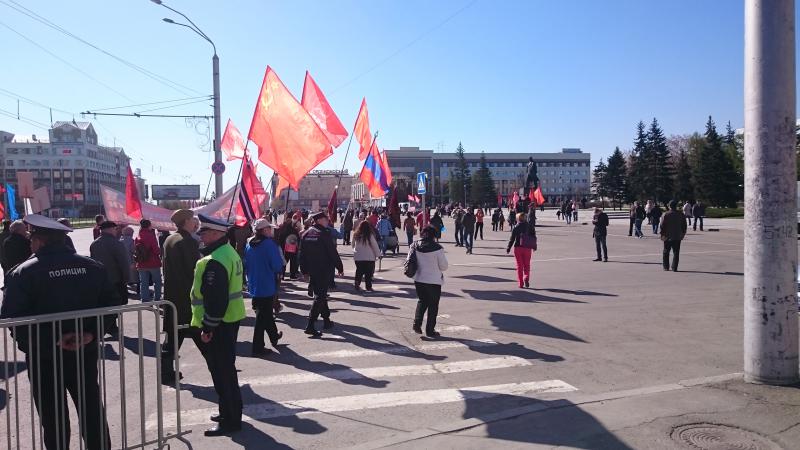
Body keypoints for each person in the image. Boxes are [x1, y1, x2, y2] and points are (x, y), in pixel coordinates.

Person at [0, 215, 120, 450]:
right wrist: (91, 335)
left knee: (53, 418)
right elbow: (111, 304)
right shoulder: (92, 267)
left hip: (44, 358)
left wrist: (50, 341)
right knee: (92, 410)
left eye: (31, 239)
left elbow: (12, 319)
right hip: (84, 353)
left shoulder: (22, 273)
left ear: (39, 241)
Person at [190, 214, 246, 437]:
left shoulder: (214, 260)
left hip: (220, 323)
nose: (201, 236)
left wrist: (208, 327)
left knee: (223, 373)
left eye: (204, 232)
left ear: (216, 234)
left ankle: (230, 420)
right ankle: (229, 412)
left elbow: (215, 298)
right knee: (226, 371)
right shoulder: (228, 252)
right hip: (230, 319)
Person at [161, 209, 200, 384]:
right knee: (200, 336)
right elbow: (194, 271)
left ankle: (166, 372)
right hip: (186, 296)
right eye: (193, 220)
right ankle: (220, 370)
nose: (195, 223)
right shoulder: (187, 242)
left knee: (173, 336)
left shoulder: (170, 239)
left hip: (172, 295)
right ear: (186, 221)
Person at [299, 212, 344, 337]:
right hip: (324, 269)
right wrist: (339, 267)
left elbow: (302, 255)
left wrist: (304, 271)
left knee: (321, 294)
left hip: (312, 270)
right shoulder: (324, 233)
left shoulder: (306, 233)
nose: (327, 221)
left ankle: (326, 320)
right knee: (320, 296)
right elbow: (332, 252)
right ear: (319, 220)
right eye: (325, 219)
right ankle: (310, 325)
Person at [245, 219, 284, 356]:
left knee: (265, 313)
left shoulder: (249, 244)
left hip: (254, 283)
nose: (271, 230)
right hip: (267, 284)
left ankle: (274, 336)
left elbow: (247, 264)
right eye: (269, 228)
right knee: (262, 317)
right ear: (264, 230)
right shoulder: (268, 244)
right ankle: (257, 347)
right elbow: (277, 265)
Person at [409, 225, 449, 338]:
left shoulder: (414, 245)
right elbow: (444, 266)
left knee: (422, 301)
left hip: (419, 279)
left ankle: (417, 323)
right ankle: (430, 330)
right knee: (433, 305)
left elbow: (410, 261)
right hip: (434, 281)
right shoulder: (438, 248)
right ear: (434, 235)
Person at [89, 220, 130, 313]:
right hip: (116, 281)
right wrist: (126, 279)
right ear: (110, 229)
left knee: (105, 308)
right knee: (116, 307)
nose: (116, 231)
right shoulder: (117, 243)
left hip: (100, 281)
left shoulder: (94, 244)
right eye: (115, 229)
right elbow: (124, 263)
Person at [135, 219, 163, 302]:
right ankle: (157, 298)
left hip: (141, 262)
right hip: (153, 262)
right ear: (149, 225)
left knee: (143, 282)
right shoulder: (151, 235)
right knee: (157, 281)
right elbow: (156, 250)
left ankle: (144, 299)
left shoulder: (137, 236)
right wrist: (160, 251)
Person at [507, 212, 537, 288]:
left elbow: (512, 239)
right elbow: (534, 237)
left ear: (518, 219)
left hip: (518, 248)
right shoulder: (530, 226)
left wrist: (508, 247)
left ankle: (520, 283)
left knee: (519, 266)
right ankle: (526, 277)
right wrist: (534, 246)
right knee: (527, 265)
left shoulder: (516, 227)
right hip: (527, 248)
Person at [352, 220, 381, 292]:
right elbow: (374, 245)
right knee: (368, 273)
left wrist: (355, 251)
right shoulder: (369, 235)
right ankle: (368, 287)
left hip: (358, 257)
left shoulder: (356, 234)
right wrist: (378, 255)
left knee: (359, 271)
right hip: (369, 257)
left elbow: (353, 245)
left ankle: (357, 282)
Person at [660, 200, 687, 272]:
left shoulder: (665, 214)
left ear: (669, 206)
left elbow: (662, 225)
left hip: (667, 236)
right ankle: (674, 267)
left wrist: (662, 235)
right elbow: (684, 225)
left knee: (666, 252)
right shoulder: (681, 214)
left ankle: (666, 267)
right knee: (676, 252)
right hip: (677, 236)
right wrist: (683, 234)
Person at [119, 225, 137, 291]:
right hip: (130, 259)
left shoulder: (120, 240)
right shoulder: (131, 240)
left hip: (122, 260)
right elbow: (133, 250)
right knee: (132, 273)